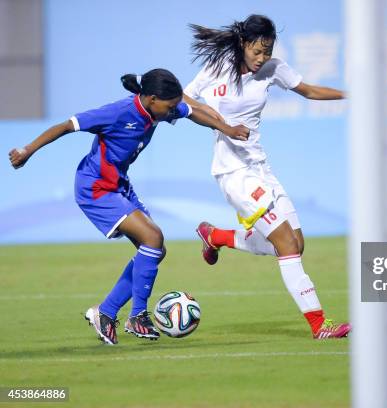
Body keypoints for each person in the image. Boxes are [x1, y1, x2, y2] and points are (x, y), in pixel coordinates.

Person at [9, 68, 249, 345]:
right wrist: (28, 150)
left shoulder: (159, 109)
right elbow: (65, 126)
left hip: (119, 185)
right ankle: (138, 316)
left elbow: (193, 112)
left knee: (156, 250)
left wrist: (228, 129)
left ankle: (106, 312)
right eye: (169, 106)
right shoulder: (117, 113)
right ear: (151, 99)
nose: (173, 111)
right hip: (95, 188)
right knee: (153, 238)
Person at [183, 14, 351, 339]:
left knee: (295, 244)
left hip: (261, 169)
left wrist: (352, 95)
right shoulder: (218, 67)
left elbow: (309, 91)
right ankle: (320, 326)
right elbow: (185, 100)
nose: (263, 59)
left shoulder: (273, 68)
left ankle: (216, 236)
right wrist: (222, 124)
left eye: (268, 51)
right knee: (285, 243)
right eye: (258, 51)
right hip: (233, 173)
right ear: (244, 44)